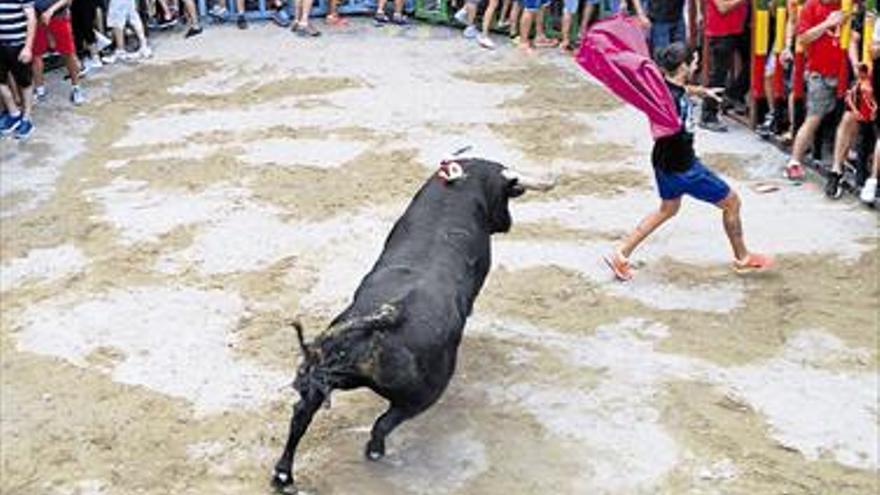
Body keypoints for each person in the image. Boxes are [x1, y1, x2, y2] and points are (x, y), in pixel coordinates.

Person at [603, 43, 773, 280]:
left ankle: (620, 254)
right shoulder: (670, 103)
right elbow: (669, 114)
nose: (697, 64)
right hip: (684, 168)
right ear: (683, 66)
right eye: (693, 61)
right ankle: (743, 258)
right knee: (732, 202)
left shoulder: (663, 87)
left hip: (663, 163)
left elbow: (679, 90)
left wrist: (701, 91)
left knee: (667, 209)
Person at [783, 0, 845, 181]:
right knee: (813, 118)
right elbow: (803, 38)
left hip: (845, 73)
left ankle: (838, 166)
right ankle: (794, 161)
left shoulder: (847, 4)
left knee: (847, 121)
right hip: (820, 73)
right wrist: (828, 23)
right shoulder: (811, 6)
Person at [699, 0, 750, 132]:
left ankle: (733, 94)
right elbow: (723, 7)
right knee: (718, 74)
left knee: (755, 62)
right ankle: (708, 115)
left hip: (739, 28)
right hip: (720, 31)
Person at [32, 0, 85, 105]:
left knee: (68, 53)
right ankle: (40, 90)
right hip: (36, 17)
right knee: (35, 54)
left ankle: (76, 87)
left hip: (58, 16)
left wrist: (50, 10)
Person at [0, 0, 36, 139]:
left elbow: (31, 19)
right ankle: (14, 113)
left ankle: (26, 120)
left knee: (25, 82)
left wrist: (28, 47)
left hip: (18, 44)